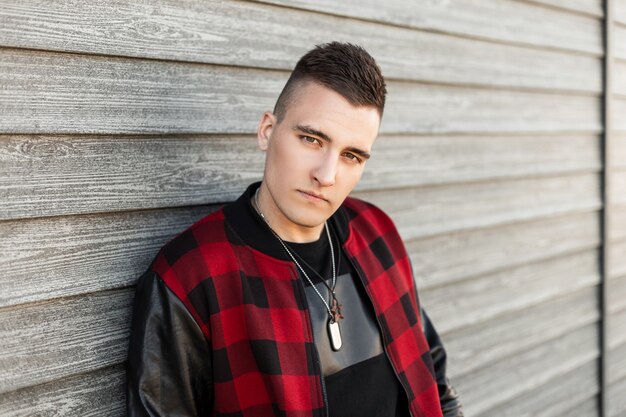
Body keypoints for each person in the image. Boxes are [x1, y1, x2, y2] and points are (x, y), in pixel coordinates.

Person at [127, 41, 463, 417]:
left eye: (351, 156)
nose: (326, 175)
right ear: (267, 131)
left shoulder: (376, 231)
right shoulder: (190, 274)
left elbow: (431, 373)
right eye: (311, 139)